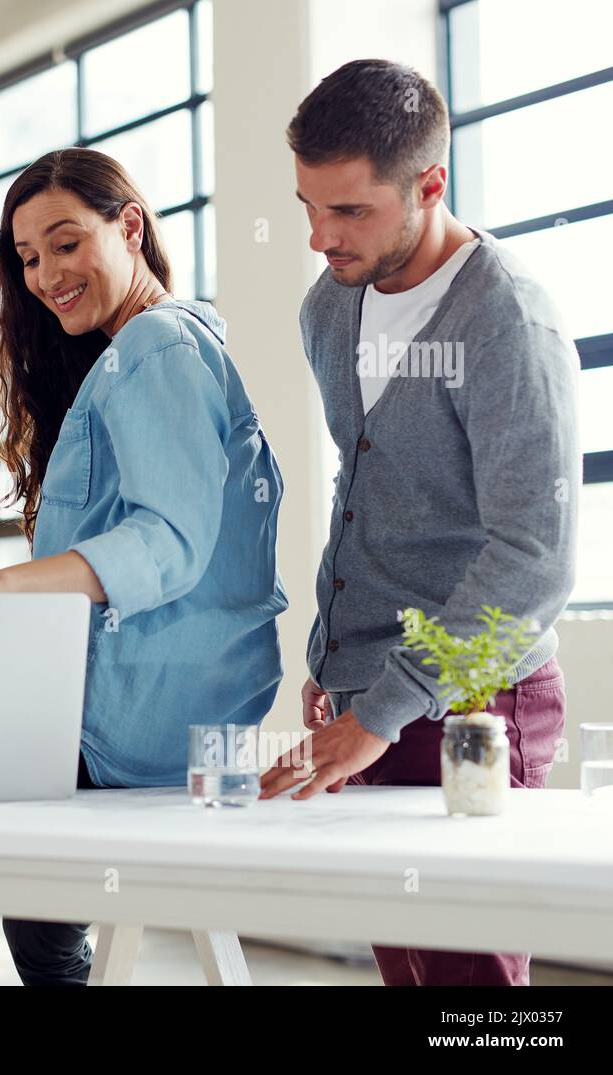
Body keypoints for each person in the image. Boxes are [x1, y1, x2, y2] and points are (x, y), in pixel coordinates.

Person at [260, 60, 579, 987]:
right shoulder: (330, 305)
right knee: (411, 978)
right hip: (366, 697)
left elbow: (535, 555)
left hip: (475, 703)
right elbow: (365, 501)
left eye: (349, 211)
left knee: (472, 992)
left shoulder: (505, 319)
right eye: (307, 206)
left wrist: (382, 710)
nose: (321, 237)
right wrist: (336, 666)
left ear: (430, 184)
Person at [0, 148, 287, 985]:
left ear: (128, 225)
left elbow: (168, 541)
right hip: (192, 705)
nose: (44, 275)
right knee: (28, 895)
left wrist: (3, 587)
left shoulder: (156, 344)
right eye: (28, 259)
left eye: (66, 244)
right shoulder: (155, 348)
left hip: (143, 715)